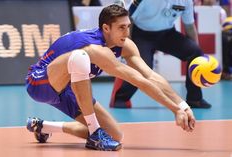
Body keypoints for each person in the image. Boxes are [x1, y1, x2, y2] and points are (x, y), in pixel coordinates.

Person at [26, 4, 195, 151]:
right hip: (41, 83)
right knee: (80, 56)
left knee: (115, 134)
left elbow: (150, 76)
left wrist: (182, 105)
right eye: (121, 27)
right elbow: (138, 81)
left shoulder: (125, 45)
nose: (127, 33)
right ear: (106, 28)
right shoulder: (96, 48)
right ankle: (95, 135)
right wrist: (174, 110)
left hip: (70, 88)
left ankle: (42, 127)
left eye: (128, 26)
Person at [110, 0, 212, 109]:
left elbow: (190, 27)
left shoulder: (186, 1)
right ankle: (121, 98)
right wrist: (127, 44)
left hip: (167, 34)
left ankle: (195, 99)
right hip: (142, 35)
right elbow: (128, 19)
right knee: (143, 67)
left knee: (195, 52)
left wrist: (199, 58)